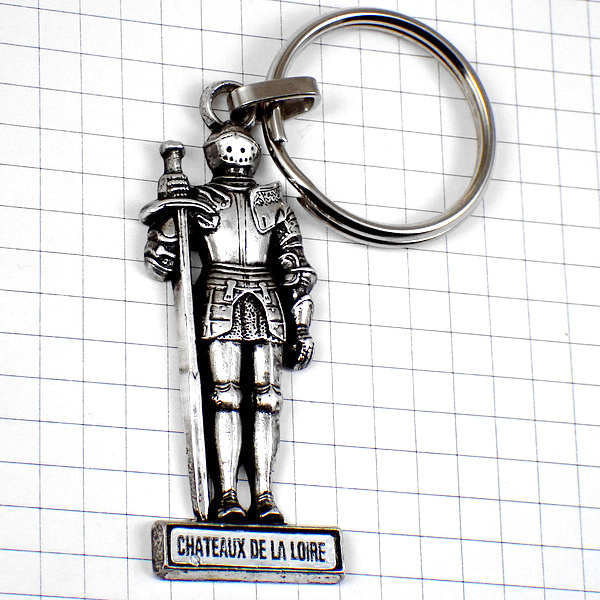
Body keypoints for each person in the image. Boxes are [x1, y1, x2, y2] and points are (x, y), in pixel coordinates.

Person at [142, 121, 316, 524]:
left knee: (267, 399)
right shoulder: (199, 200)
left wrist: (302, 326)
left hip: (267, 301)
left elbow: (295, 269)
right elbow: (160, 262)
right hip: (218, 297)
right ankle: (226, 495)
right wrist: (171, 214)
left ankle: (264, 496)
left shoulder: (275, 204)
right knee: (224, 396)